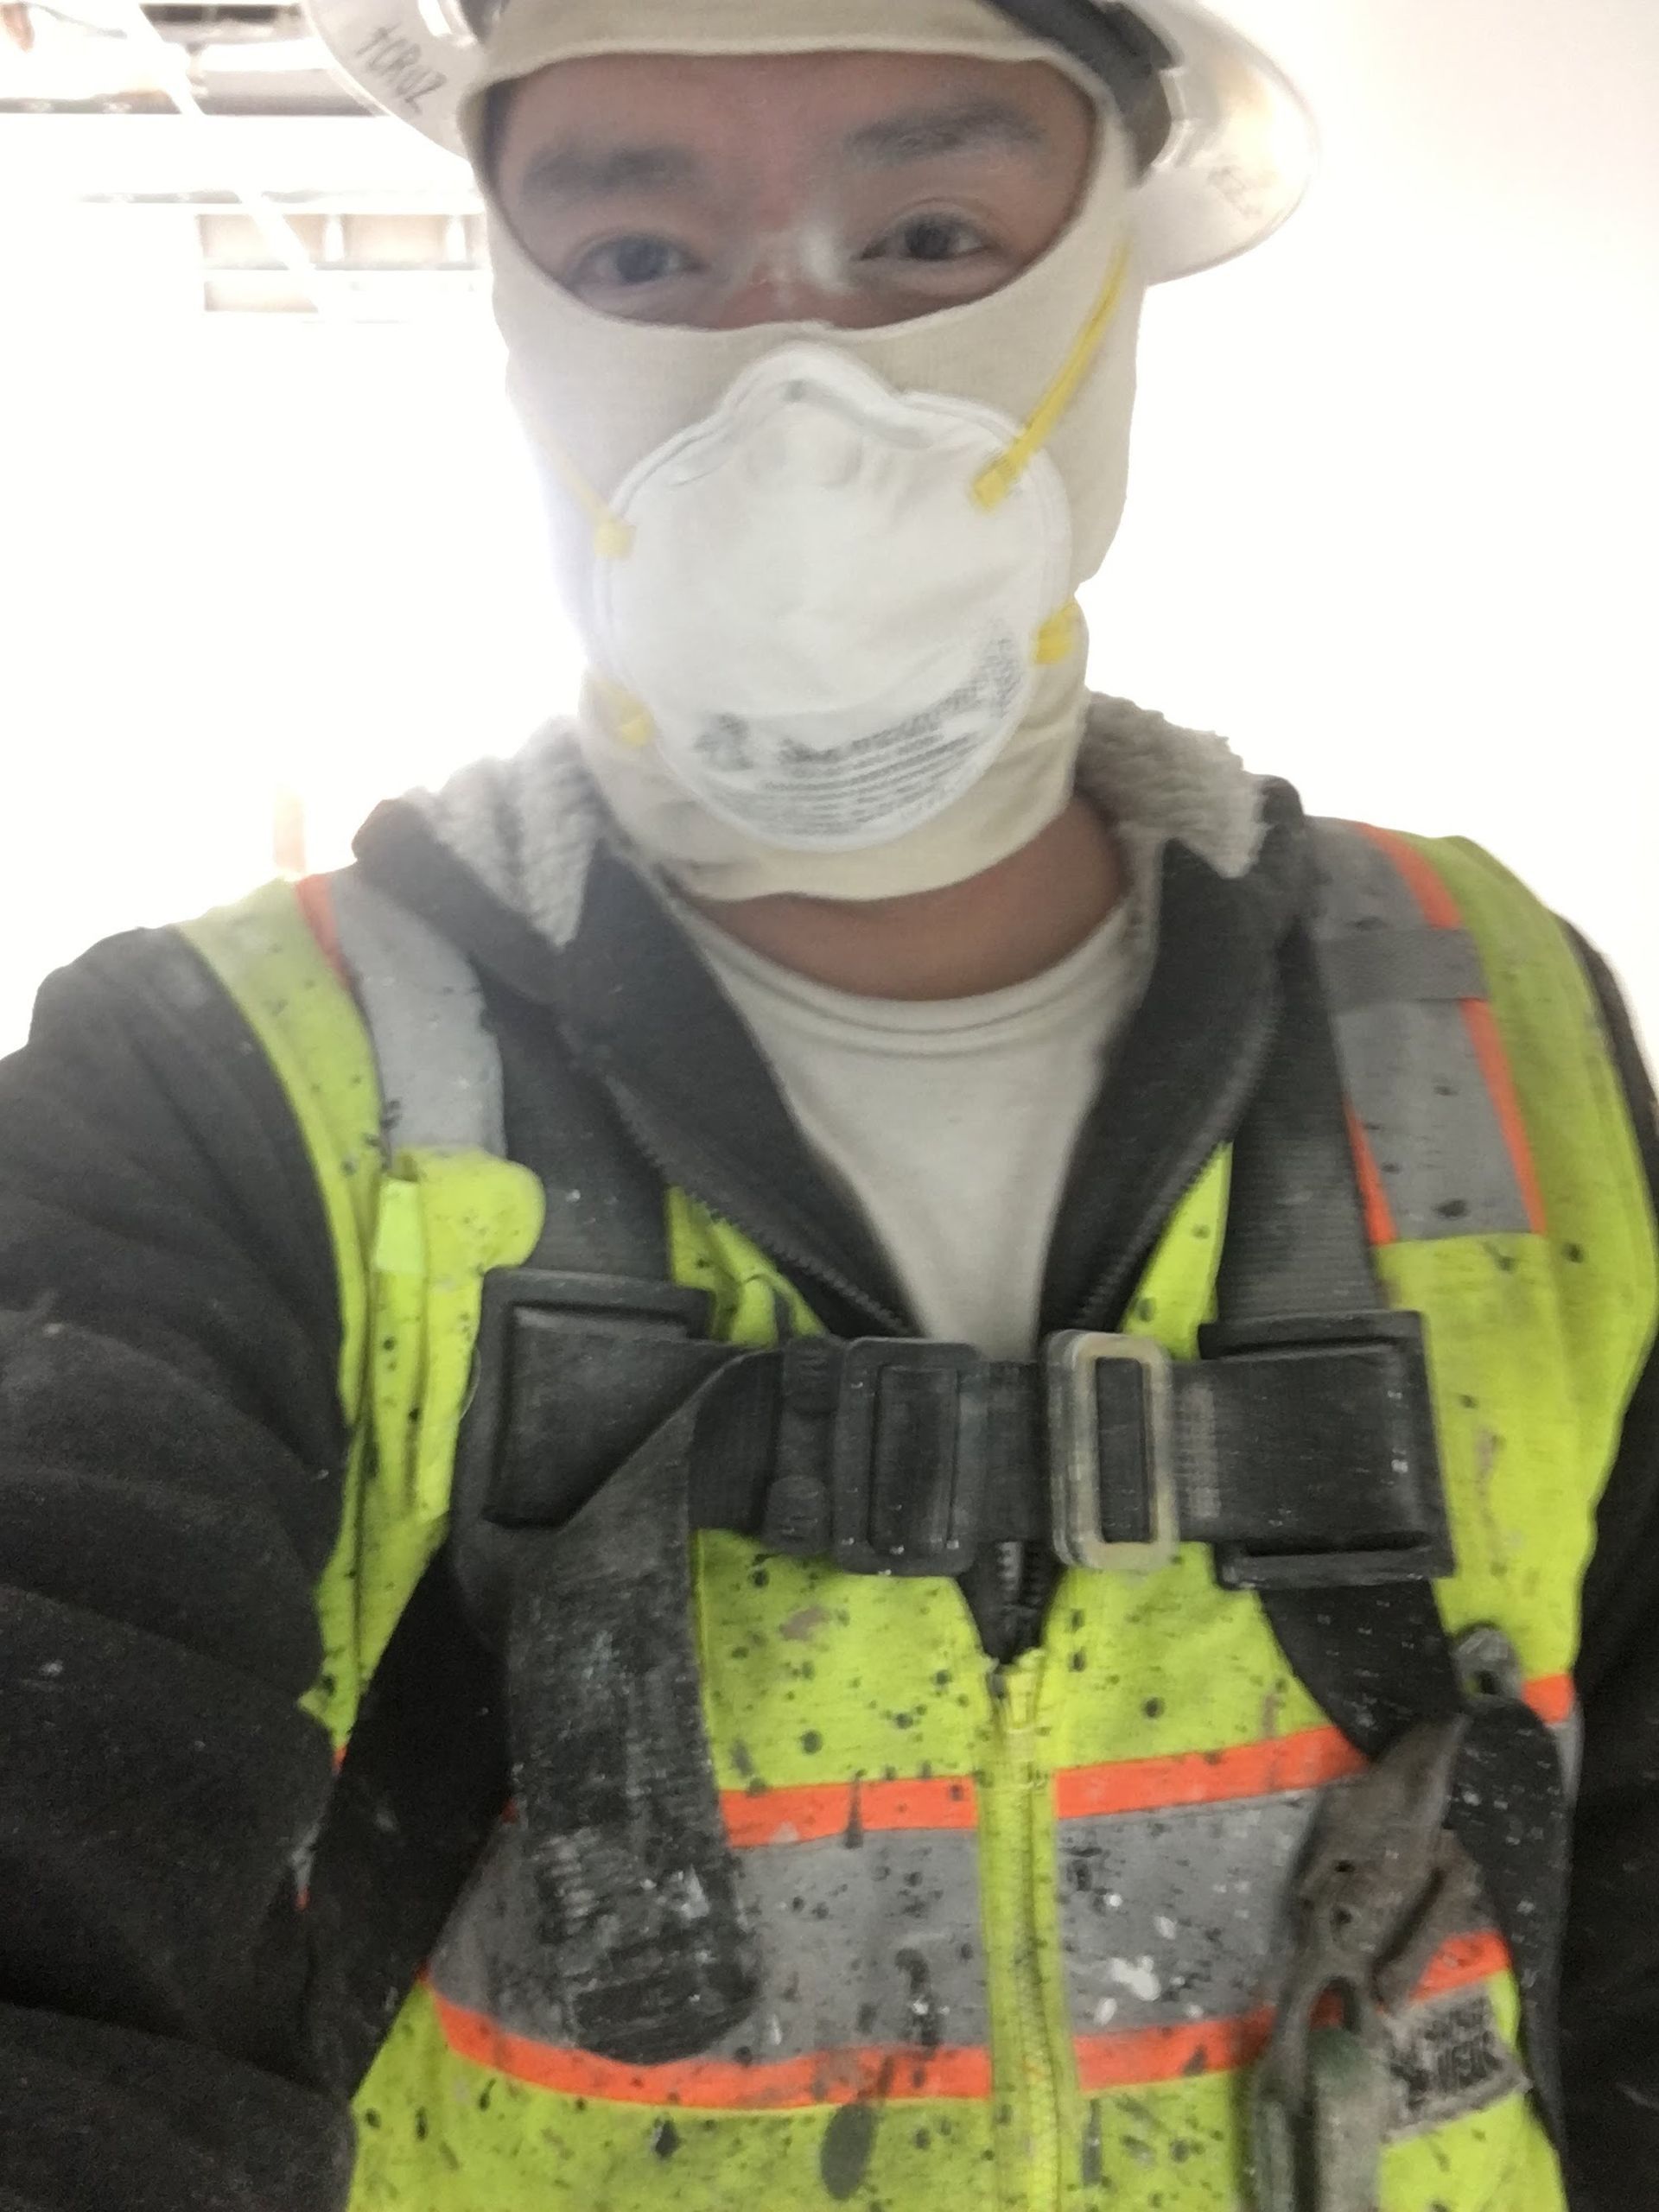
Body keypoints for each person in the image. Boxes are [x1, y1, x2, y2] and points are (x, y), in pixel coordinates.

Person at [1, 2, 1655, 2208]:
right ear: (516, 321)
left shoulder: (1491, 1008)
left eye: (930, 233)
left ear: (1109, 294)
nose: (794, 391)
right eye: (649, 264)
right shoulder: (216, 1077)